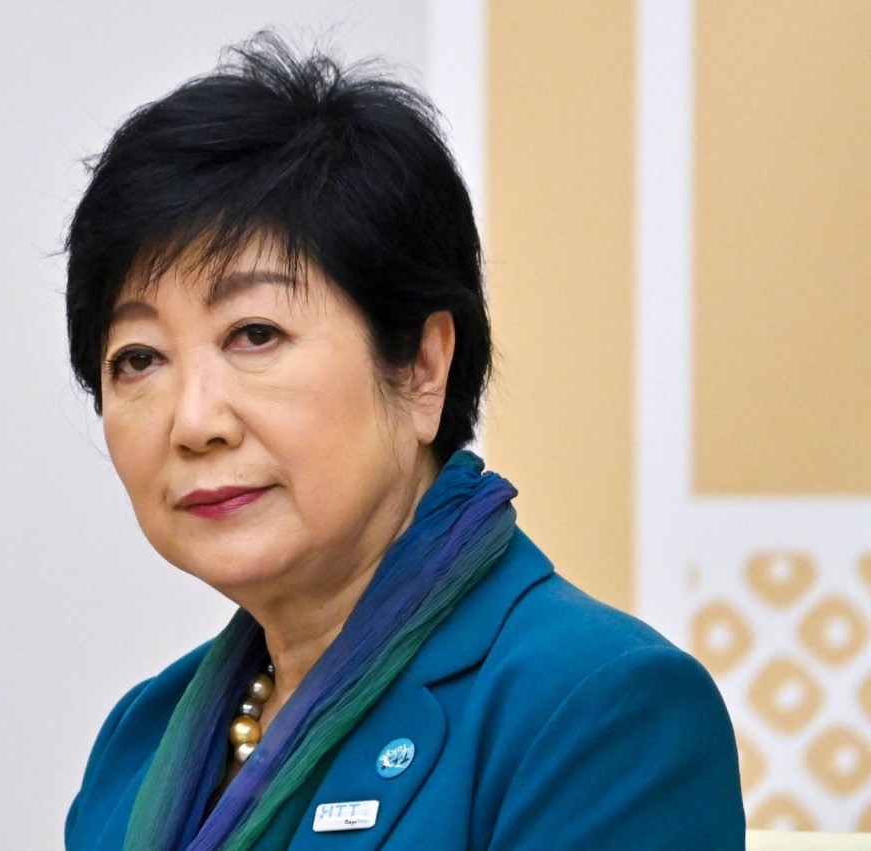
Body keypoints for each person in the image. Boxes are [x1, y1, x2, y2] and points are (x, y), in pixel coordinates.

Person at [62, 33, 744, 851]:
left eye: (254, 333)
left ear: (423, 367)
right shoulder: (139, 743)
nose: (195, 419)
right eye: (138, 358)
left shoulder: (599, 708)